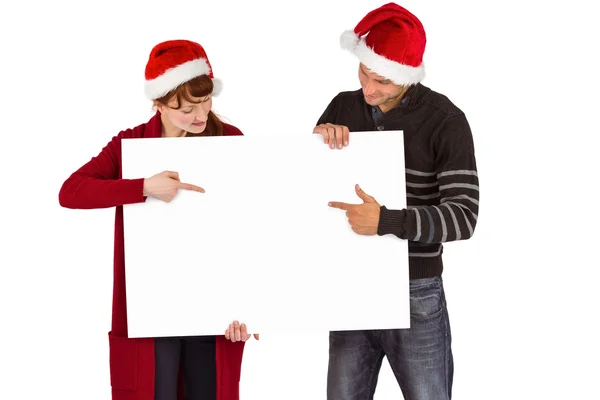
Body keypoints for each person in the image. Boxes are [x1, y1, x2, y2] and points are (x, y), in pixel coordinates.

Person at [58, 39, 258, 400]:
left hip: (214, 304)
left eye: (206, 102)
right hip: (151, 305)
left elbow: (254, 224)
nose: (200, 116)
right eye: (186, 109)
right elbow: (71, 192)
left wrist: (253, 305)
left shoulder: (231, 140)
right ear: (160, 104)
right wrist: (143, 187)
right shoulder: (130, 143)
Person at [313, 3, 479, 399]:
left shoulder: (445, 121)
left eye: (383, 81)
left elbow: (463, 218)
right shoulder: (343, 105)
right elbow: (311, 194)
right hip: (350, 286)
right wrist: (317, 142)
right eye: (364, 74)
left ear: (407, 76)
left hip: (415, 290)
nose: (369, 90)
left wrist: (385, 221)